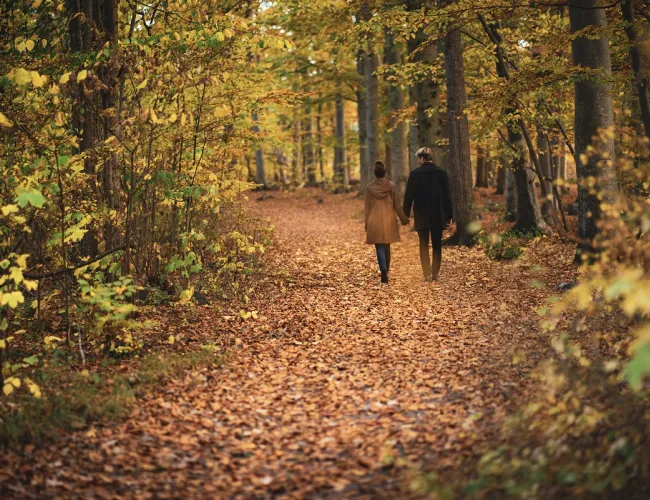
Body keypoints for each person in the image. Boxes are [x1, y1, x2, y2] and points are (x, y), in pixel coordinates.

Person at [403, 147, 453, 282]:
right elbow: (447, 196)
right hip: (438, 214)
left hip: (422, 215)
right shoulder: (442, 173)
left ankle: (426, 274)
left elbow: (408, 196)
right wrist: (449, 215)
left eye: (418, 159)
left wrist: (405, 215)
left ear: (421, 159)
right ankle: (435, 273)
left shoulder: (415, 174)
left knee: (423, 244)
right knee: (437, 245)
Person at [365, 160, 409, 284]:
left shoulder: (369, 188)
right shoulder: (391, 186)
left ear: (375, 173)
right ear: (385, 172)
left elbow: (367, 207)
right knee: (387, 246)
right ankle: (387, 270)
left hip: (374, 220)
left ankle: (383, 271)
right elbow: (397, 206)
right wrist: (403, 218)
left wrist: (366, 223)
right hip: (388, 219)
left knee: (379, 247)